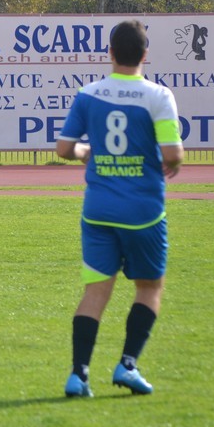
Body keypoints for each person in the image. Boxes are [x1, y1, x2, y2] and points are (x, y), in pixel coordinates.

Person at [55, 19, 184, 397]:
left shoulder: (88, 94)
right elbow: (172, 154)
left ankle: (78, 375)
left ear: (110, 53)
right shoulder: (158, 96)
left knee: (95, 292)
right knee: (149, 287)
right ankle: (127, 365)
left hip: (98, 210)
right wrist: (172, 161)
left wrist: (86, 152)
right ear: (145, 55)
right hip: (143, 211)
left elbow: (64, 149)